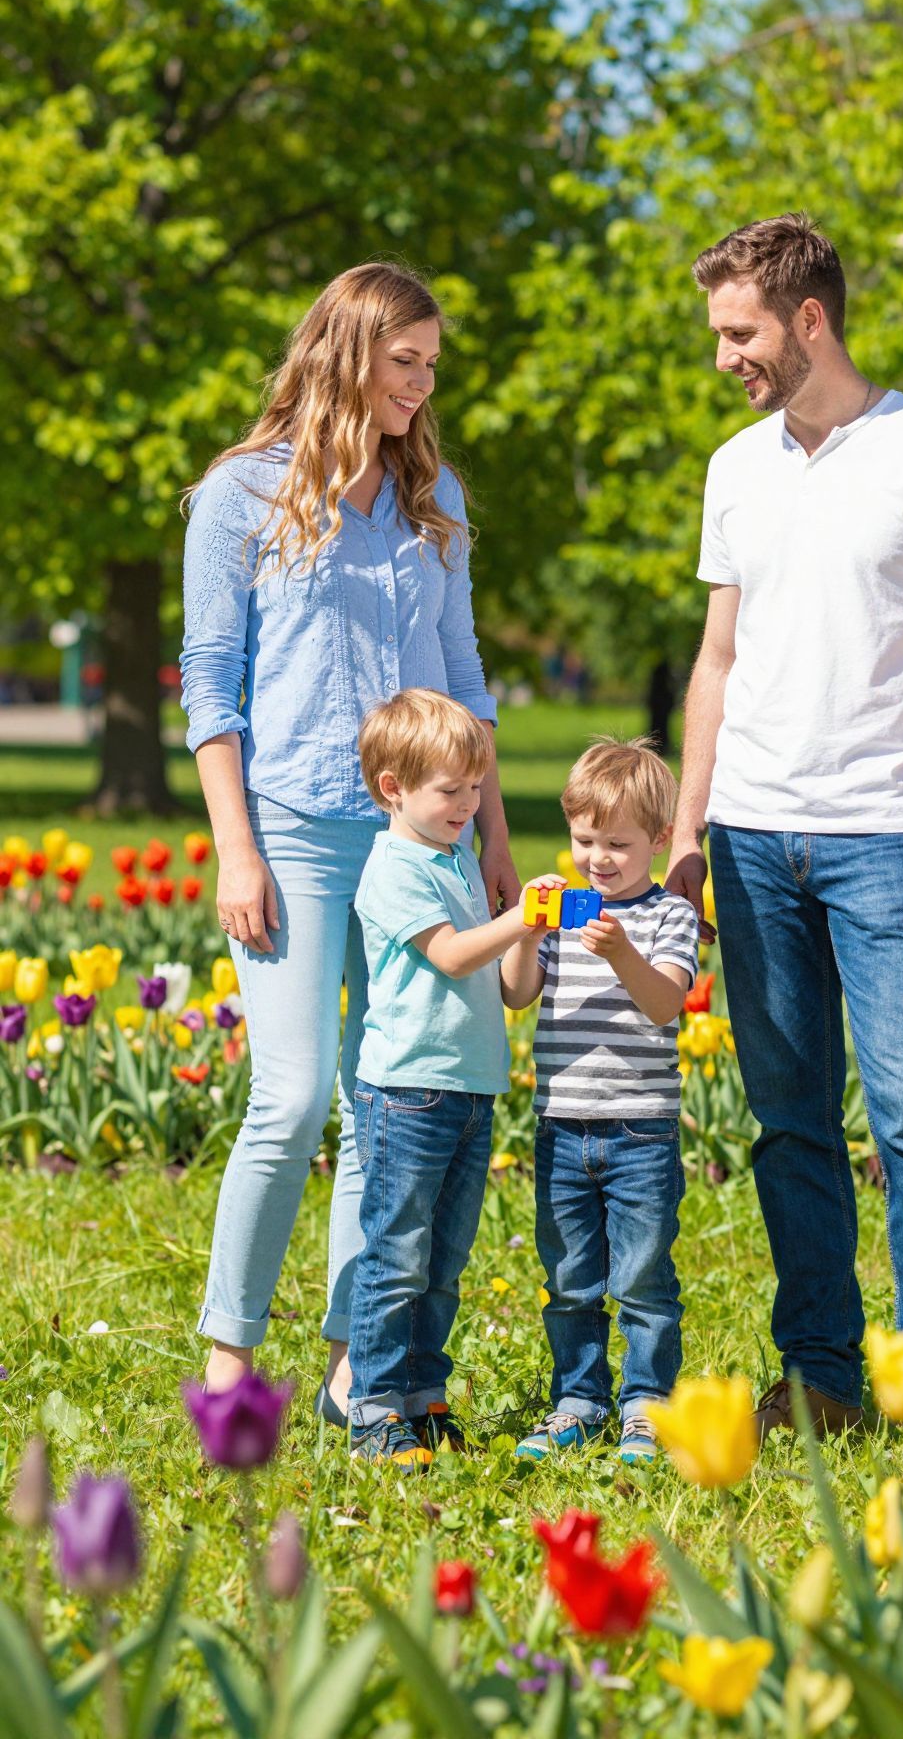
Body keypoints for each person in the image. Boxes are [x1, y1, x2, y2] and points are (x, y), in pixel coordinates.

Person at [664, 213, 903, 1480]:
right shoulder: (735, 467)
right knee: (788, 1122)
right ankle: (820, 1373)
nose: (726, 357)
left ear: (810, 319)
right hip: (755, 835)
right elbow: (719, 658)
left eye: (740, 332)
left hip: (888, 833)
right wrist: (691, 831)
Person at [180, 262, 518, 1418]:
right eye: (404, 361)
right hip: (291, 826)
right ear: (345, 354)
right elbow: (212, 686)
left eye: (432, 364)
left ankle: (353, 1356)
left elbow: (466, 683)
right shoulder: (242, 496)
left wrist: (498, 846)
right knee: (294, 1093)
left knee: (389, 1093)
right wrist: (237, 846)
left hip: (420, 844)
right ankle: (230, 1351)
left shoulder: (437, 500)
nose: (423, 385)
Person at [347, 689, 560, 1471]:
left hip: (470, 1090)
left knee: (444, 1261)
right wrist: (524, 917)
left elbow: (506, 987)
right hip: (406, 1093)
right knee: (397, 1253)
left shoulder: (458, 858)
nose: (468, 805)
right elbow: (449, 955)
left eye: (475, 789)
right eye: (450, 791)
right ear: (392, 789)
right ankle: (371, 1407)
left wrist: (529, 943)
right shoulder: (394, 868)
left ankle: (421, 1396)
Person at [505, 738, 699, 1465]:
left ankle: (647, 1403)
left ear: (656, 840)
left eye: (617, 844)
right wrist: (526, 932)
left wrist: (621, 953)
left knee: (644, 1274)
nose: (597, 858)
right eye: (584, 840)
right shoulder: (559, 910)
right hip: (561, 1123)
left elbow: (664, 1006)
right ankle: (578, 1400)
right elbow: (517, 995)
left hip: (640, 1128)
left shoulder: (668, 917)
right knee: (568, 1277)